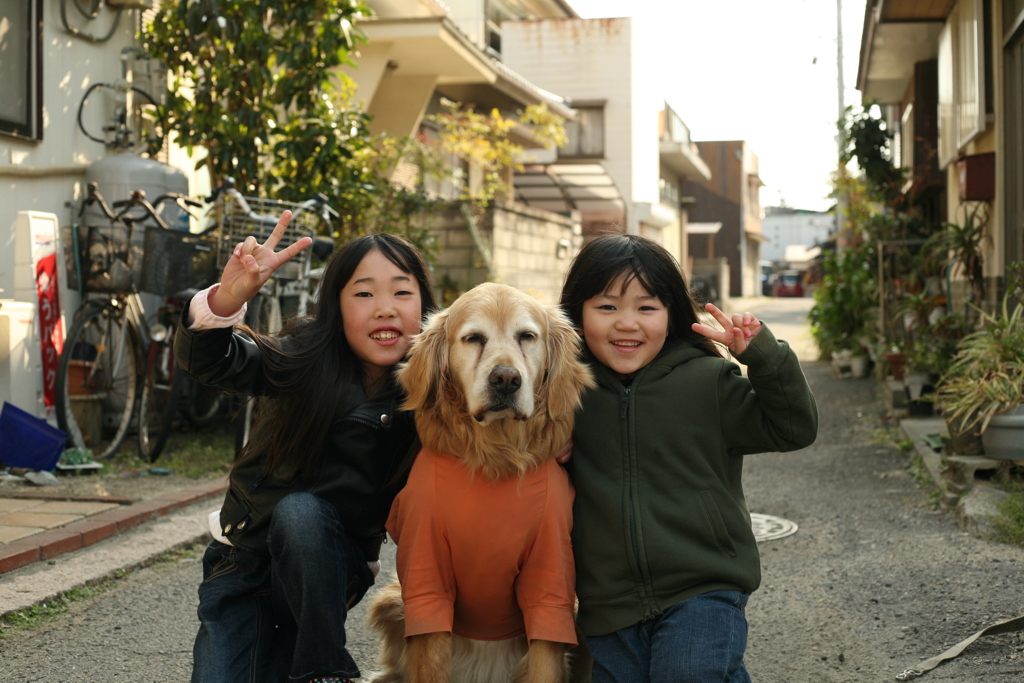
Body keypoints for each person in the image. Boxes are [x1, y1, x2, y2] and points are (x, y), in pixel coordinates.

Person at [174, 213, 437, 683]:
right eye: (363, 293)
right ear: (335, 305)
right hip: (242, 565)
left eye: (401, 291)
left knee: (302, 515)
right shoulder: (302, 353)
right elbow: (218, 363)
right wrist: (226, 300)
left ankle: (325, 671)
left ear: (425, 305)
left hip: (331, 569)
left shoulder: (431, 392)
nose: (384, 308)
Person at [558, 234, 818, 683]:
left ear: (672, 313)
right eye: (606, 307)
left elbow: (793, 427)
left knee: (689, 673)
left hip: (703, 585)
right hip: (610, 601)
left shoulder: (707, 381)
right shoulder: (567, 391)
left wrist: (763, 358)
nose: (626, 323)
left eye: (646, 307)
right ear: (577, 314)